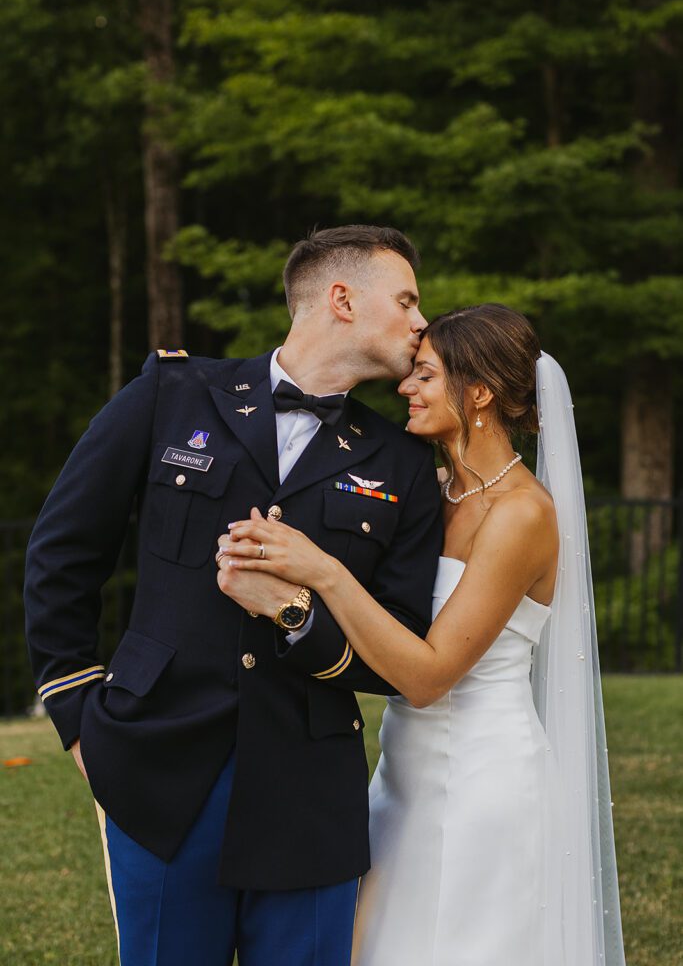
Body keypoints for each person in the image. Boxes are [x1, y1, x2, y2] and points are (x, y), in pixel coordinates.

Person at [24, 225, 444, 966]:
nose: (420, 323)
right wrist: (78, 718)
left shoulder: (403, 464)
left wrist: (297, 614)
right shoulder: (172, 391)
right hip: (156, 765)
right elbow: (63, 550)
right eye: (406, 300)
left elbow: (399, 647)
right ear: (341, 298)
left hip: (308, 791)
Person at [219, 303, 627, 966]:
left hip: (480, 781)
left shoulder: (522, 514)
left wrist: (319, 571)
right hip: (403, 769)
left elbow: (429, 676)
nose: (404, 387)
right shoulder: (435, 495)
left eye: (425, 375)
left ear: (480, 392)